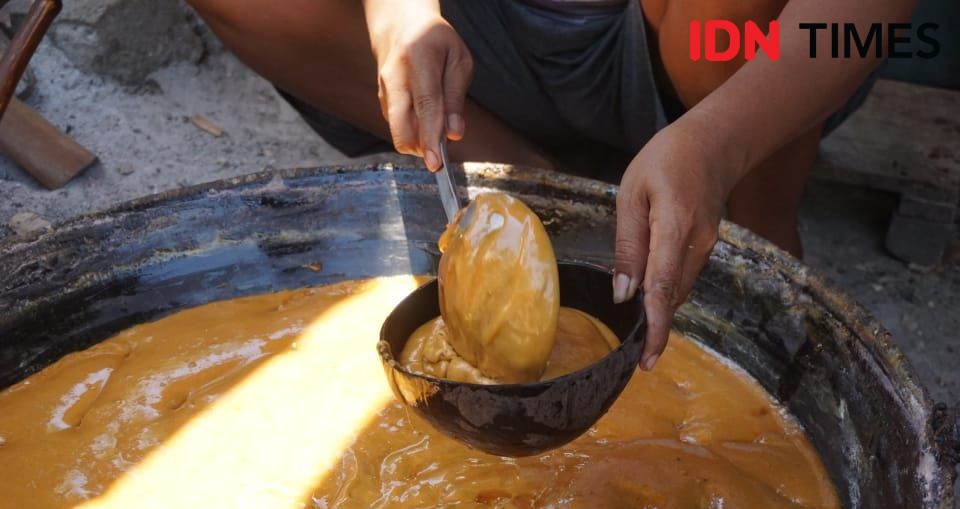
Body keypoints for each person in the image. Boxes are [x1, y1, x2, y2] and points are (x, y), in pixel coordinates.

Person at [187, 0, 914, 370]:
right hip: (485, 37)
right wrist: (400, 13)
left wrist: (718, 146)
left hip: (724, 50)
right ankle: (529, 189)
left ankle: (755, 246)